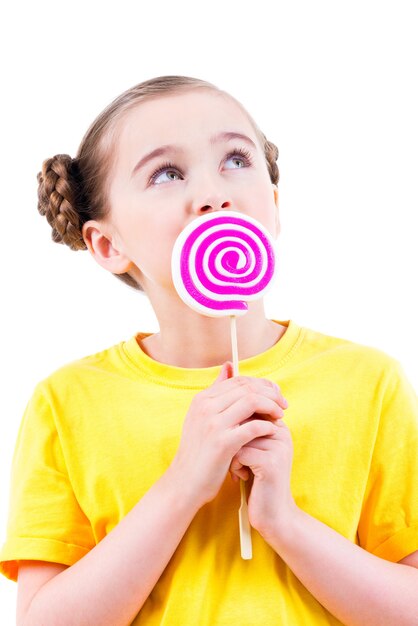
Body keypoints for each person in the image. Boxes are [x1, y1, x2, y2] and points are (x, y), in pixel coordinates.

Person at [0, 75, 417, 626]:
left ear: (271, 204)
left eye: (236, 159)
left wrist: (283, 521)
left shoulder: (367, 381)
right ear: (107, 243)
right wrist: (182, 485)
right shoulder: (68, 401)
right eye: (166, 173)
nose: (213, 193)